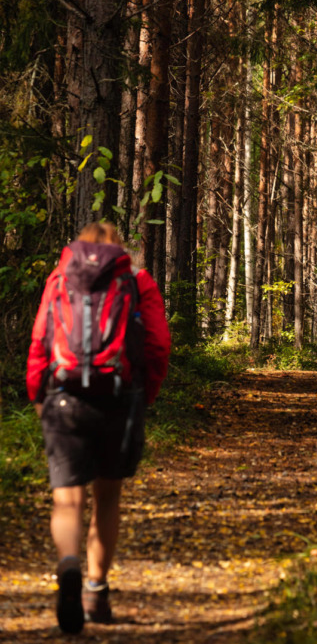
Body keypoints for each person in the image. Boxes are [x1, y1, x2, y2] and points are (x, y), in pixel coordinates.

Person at [26, 222, 171, 633]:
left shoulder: (59, 278)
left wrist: (39, 394)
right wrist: (146, 394)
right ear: (118, 249)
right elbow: (158, 343)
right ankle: (95, 590)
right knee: (107, 498)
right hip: (118, 397)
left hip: (63, 398)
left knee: (67, 500)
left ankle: (68, 565)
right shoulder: (137, 280)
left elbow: (40, 340)